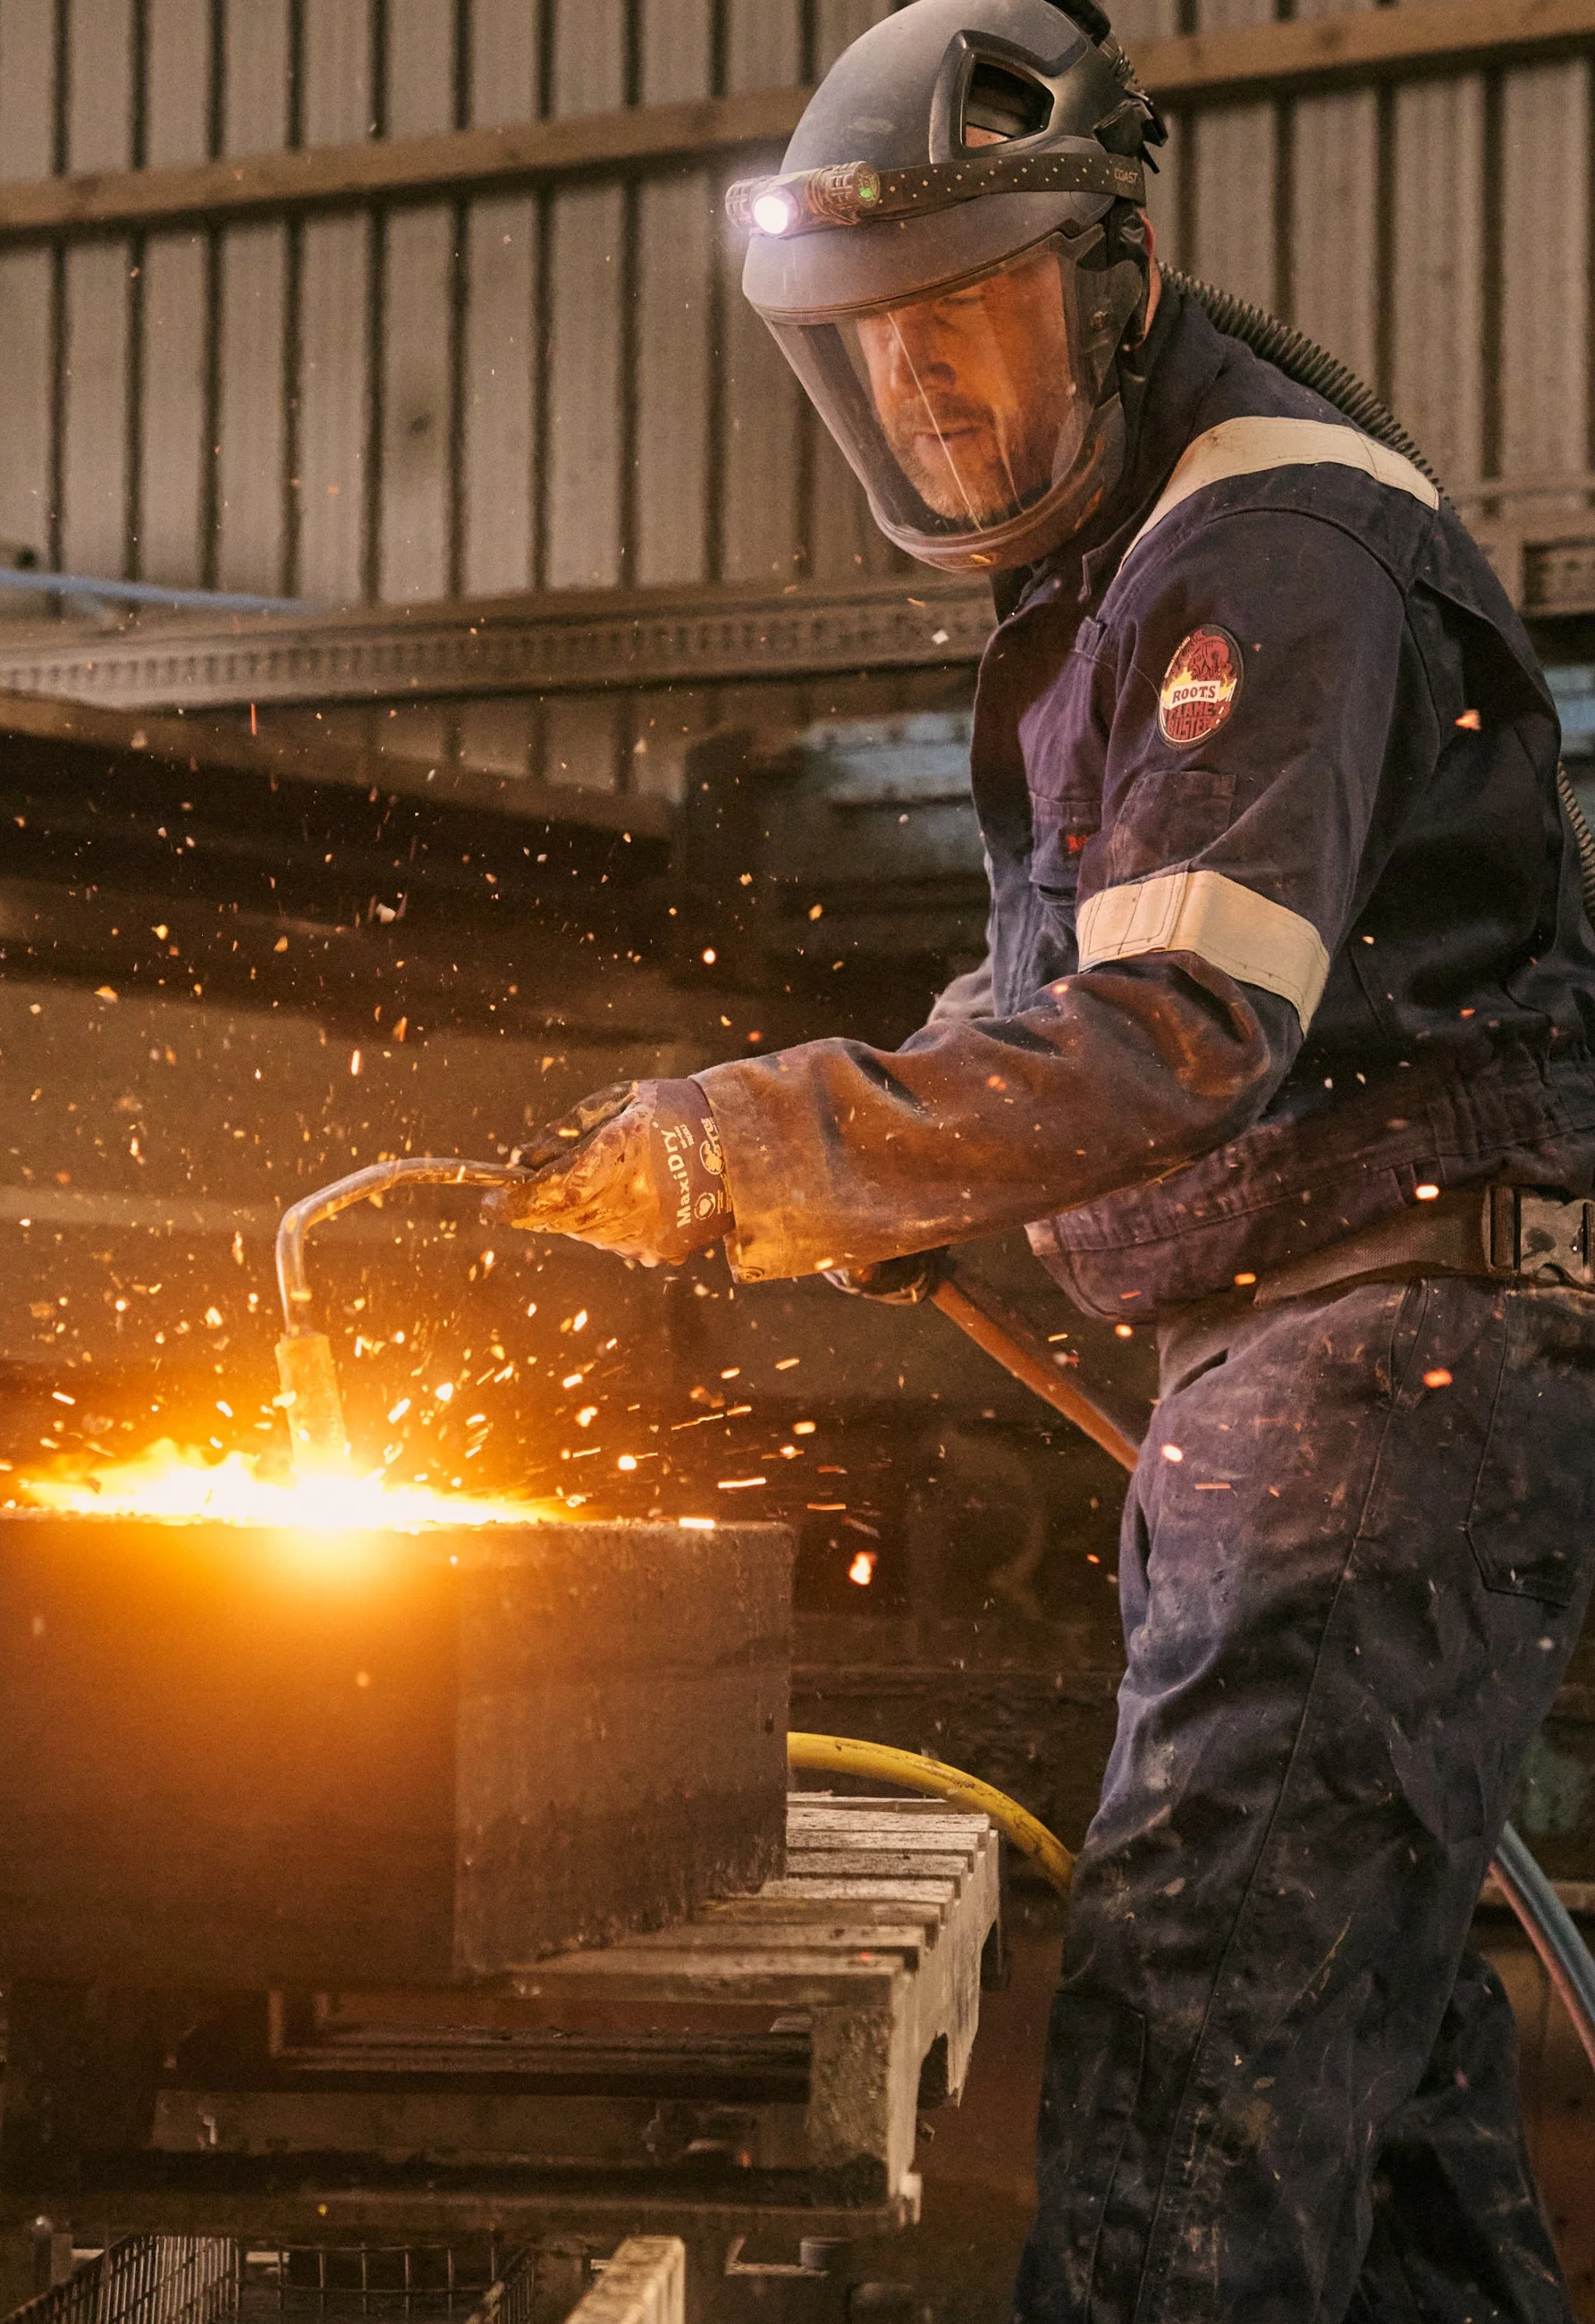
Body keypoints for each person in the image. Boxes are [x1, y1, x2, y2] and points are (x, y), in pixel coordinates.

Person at [485, 0, 1595, 2315]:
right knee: (1369, 2107)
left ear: (1116, 271)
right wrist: (855, 1166)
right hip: (1316, 1365)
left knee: (1191, 2067)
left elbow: (1186, 1023)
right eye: (872, 344)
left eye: (967, 317)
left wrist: (770, 1142)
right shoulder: (1119, 574)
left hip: (1380, 1360)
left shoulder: (1263, 555)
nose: (925, 388)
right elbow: (1049, 1015)